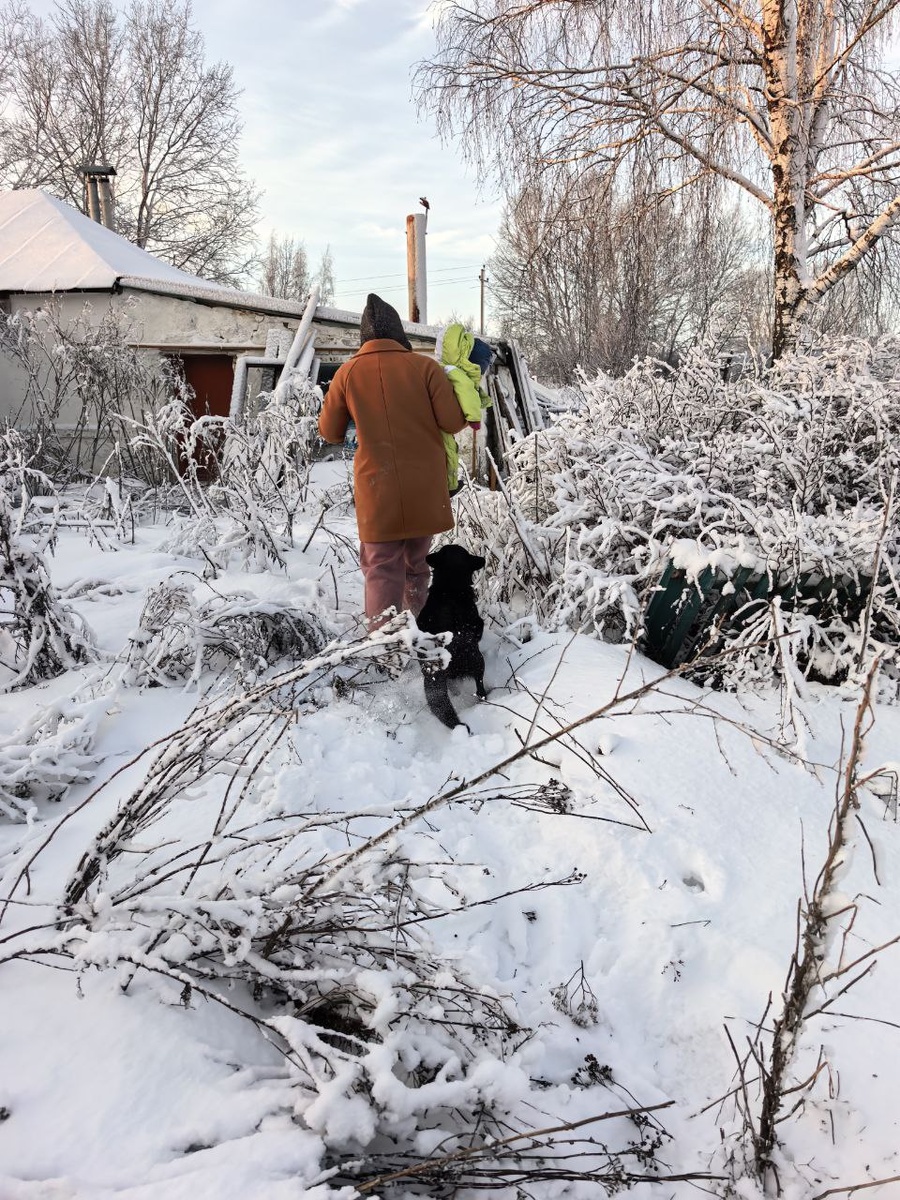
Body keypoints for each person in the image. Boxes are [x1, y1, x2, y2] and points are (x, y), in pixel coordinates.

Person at [318, 293, 467, 628]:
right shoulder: (425, 367)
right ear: (400, 333)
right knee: (417, 564)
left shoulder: (347, 373)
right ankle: (425, 633)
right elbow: (453, 422)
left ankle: (387, 649)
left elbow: (329, 432)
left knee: (382, 567)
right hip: (424, 487)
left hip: (377, 486)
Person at [436, 324, 493, 495]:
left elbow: (470, 390)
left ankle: (450, 484)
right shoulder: (455, 373)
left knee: (450, 451)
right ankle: (450, 485)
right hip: (438, 427)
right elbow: (467, 391)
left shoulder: (447, 372)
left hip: (436, 426)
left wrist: (482, 399)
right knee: (449, 452)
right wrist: (475, 418)